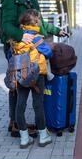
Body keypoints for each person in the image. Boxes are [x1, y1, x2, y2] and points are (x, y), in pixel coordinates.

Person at [0, 0, 68, 140]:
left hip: (33, 49)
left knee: (24, 84)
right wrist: (21, 35)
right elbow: (6, 25)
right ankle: (15, 123)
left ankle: (20, 124)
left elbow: (40, 22)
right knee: (17, 84)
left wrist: (57, 31)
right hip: (17, 48)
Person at [11, 9, 53, 148]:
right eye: (39, 20)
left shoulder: (18, 38)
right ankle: (43, 136)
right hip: (37, 75)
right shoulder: (37, 38)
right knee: (38, 105)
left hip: (22, 75)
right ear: (36, 22)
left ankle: (24, 138)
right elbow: (49, 53)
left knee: (20, 105)